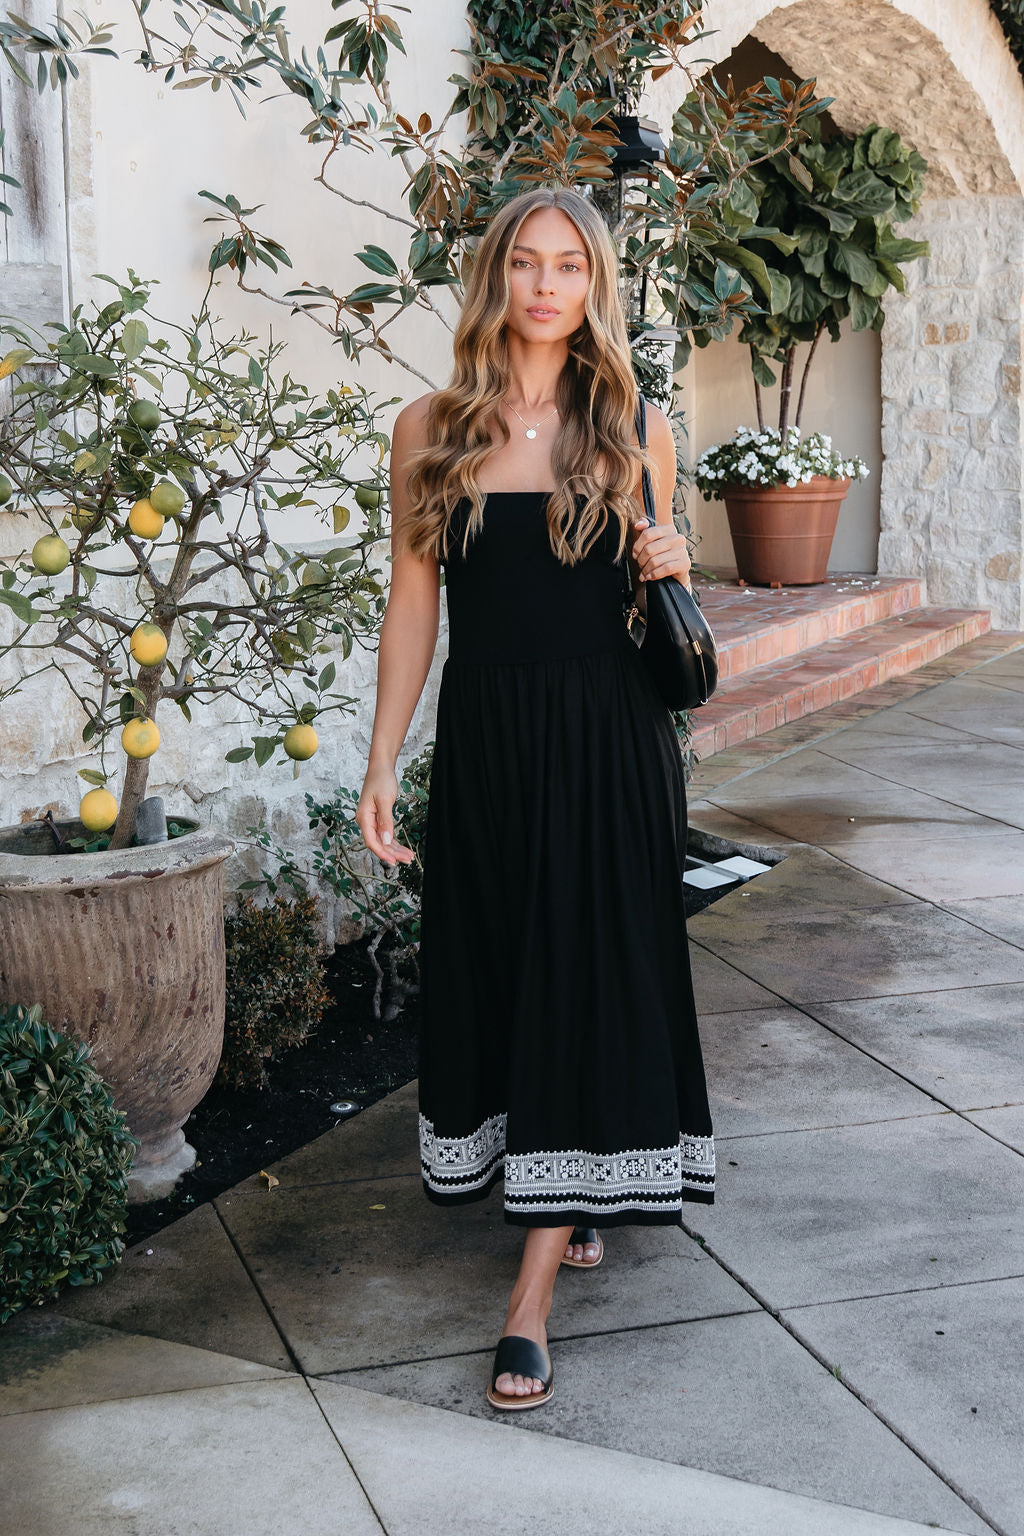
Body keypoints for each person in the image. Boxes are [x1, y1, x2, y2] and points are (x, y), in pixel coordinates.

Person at [355, 184, 715, 1412]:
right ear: (495, 278)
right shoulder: (428, 428)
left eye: (568, 265)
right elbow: (414, 603)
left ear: (594, 284)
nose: (546, 285)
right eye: (525, 262)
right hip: (490, 745)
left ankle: (528, 1303)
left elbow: (658, 601)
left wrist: (668, 556)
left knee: (580, 980)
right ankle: (578, 1187)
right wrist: (382, 760)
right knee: (510, 969)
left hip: (607, 746)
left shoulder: (635, 428)